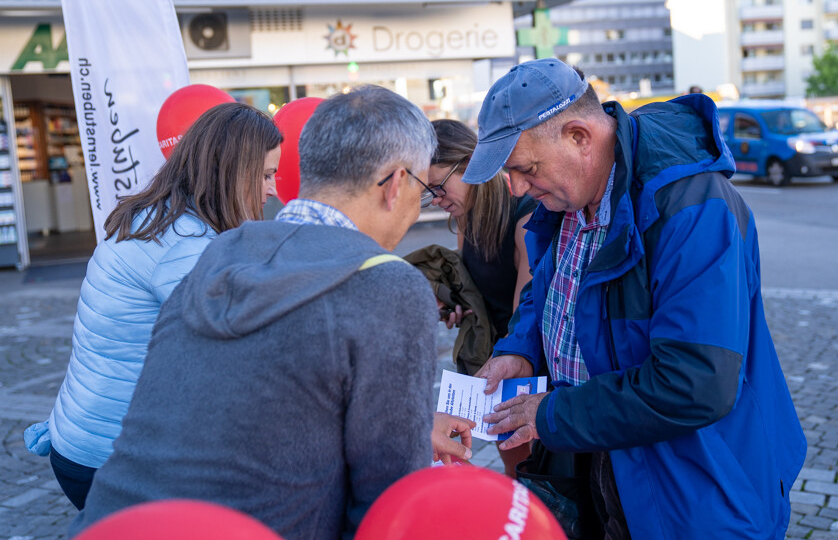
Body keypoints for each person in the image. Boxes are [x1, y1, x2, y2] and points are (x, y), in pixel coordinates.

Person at [68, 85, 474, 540]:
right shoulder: (387, 285)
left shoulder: (221, 251)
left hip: (111, 522)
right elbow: (385, 498)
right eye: (421, 188)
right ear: (397, 184)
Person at [463, 59, 806, 539]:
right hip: (606, 453)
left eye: (525, 168)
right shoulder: (568, 195)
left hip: (696, 478)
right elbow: (550, 292)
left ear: (579, 137)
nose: (518, 188)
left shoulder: (690, 206)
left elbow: (695, 381)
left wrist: (552, 414)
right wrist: (520, 349)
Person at [24, 102, 283, 510]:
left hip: (85, 436)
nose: (273, 189)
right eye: (266, 175)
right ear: (231, 171)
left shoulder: (156, 215)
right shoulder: (184, 244)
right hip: (114, 459)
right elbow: (239, 349)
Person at [424, 119, 536, 477]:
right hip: (494, 364)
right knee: (513, 469)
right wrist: (457, 306)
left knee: (529, 472)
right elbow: (475, 291)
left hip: (523, 364)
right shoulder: (468, 218)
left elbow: (525, 319)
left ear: (472, 163)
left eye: (439, 187)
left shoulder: (525, 218)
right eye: (429, 191)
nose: (437, 200)